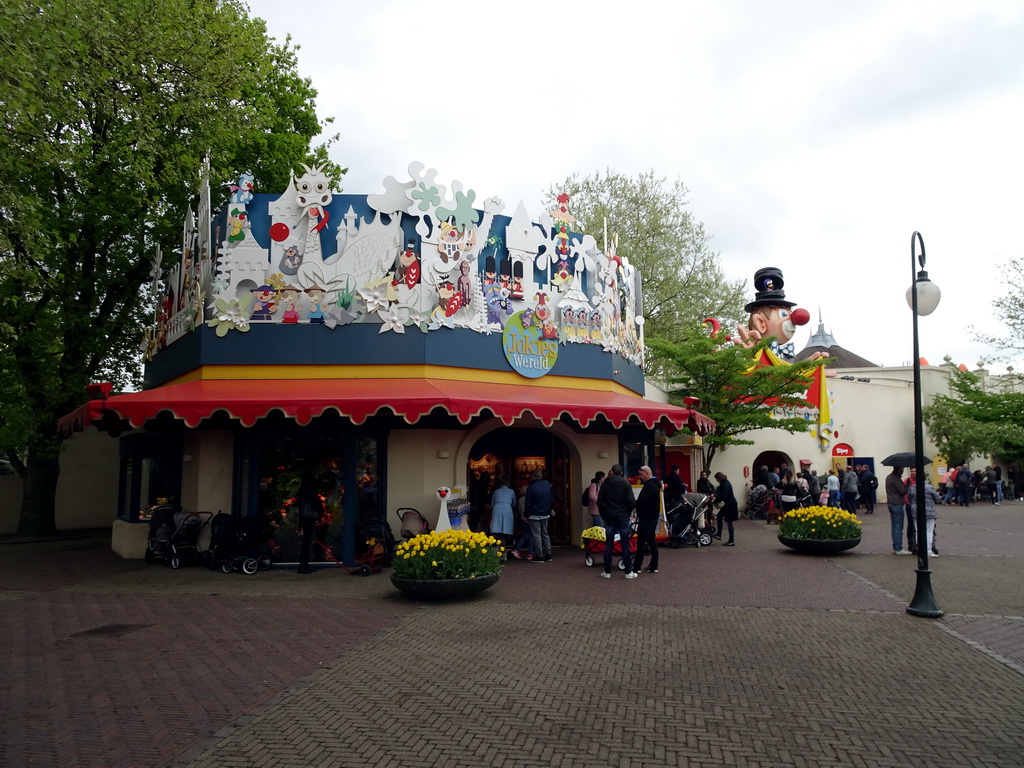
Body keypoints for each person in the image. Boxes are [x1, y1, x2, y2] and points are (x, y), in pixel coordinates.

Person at [597, 464, 636, 578]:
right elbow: (630, 501)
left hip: (609, 517)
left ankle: (607, 571)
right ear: (621, 473)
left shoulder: (605, 484)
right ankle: (628, 571)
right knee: (625, 544)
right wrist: (627, 514)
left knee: (608, 544)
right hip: (622, 516)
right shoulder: (626, 484)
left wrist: (604, 514)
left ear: (612, 472)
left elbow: (600, 501)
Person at [632, 465, 663, 574]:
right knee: (651, 540)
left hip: (647, 517)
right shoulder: (654, 485)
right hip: (651, 516)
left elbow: (643, 500)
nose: (639, 477)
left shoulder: (650, 486)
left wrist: (635, 504)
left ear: (646, 473)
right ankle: (654, 565)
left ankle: (637, 566)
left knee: (641, 542)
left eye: (641, 474)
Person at [907, 475, 942, 558]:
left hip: (916, 511)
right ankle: (928, 550)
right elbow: (938, 498)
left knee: (918, 531)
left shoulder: (912, 488)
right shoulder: (929, 487)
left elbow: (909, 498)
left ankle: (920, 549)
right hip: (929, 511)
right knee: (929, 531)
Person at [296, 474, 324, 574]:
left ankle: (305, 564)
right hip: (308, 519)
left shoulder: (302, 491)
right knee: (306, 542)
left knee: (306, 542)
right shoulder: (310, 492)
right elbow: (316, 503)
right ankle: (303, 565)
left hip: (304, 519)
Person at [523, 468, 553, 562]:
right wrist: (549, 510)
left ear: (533, 476)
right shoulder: (548, 486)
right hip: (545, 513)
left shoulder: (531, 488)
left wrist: (526, 515)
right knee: (545, 533)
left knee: (537, 535)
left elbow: (528, 503)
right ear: (541, 476)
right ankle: (549, 554)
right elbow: (551, 500)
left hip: (534, 513)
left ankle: (539, 555)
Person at [489, 474, 516, 561]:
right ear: (508, 484)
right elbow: (514, 503)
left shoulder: (496, 491)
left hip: (497, 509)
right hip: (507, 510)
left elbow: (492, 503)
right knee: (507, 531)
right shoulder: (511, 491)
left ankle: (500, 549)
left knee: (497, 531)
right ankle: (503, 551)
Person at [885, 466, 910, 554]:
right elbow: (902, 491)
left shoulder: (889, 477)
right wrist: (907, 485)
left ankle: (896, 546)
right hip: (897, 503)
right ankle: (898, 547)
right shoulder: (895, 478)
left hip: (891, 502)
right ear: (899, 469)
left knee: (894, 525)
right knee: (898, 526)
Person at [713, 472, 738, 546]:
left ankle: (731, 540)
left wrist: (715, 500)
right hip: (728, 504)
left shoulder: (725, 485)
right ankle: (718, 534)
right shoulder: (725, 483)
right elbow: (719, 491)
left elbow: (723, 496)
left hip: (730, 505)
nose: (717, 481)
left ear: (719, 478)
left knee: (729, 522)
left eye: (717, 479)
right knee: (719, 516)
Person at [903, 468, 918, 554]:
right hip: (909, 504)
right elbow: (904, 492)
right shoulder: (907, 481)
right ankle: (911, 543)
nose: (913, 473)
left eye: (914, 471)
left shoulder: (920, 481)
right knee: (911, 524)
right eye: (912, 471)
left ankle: (917, 542)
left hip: (917, 504)